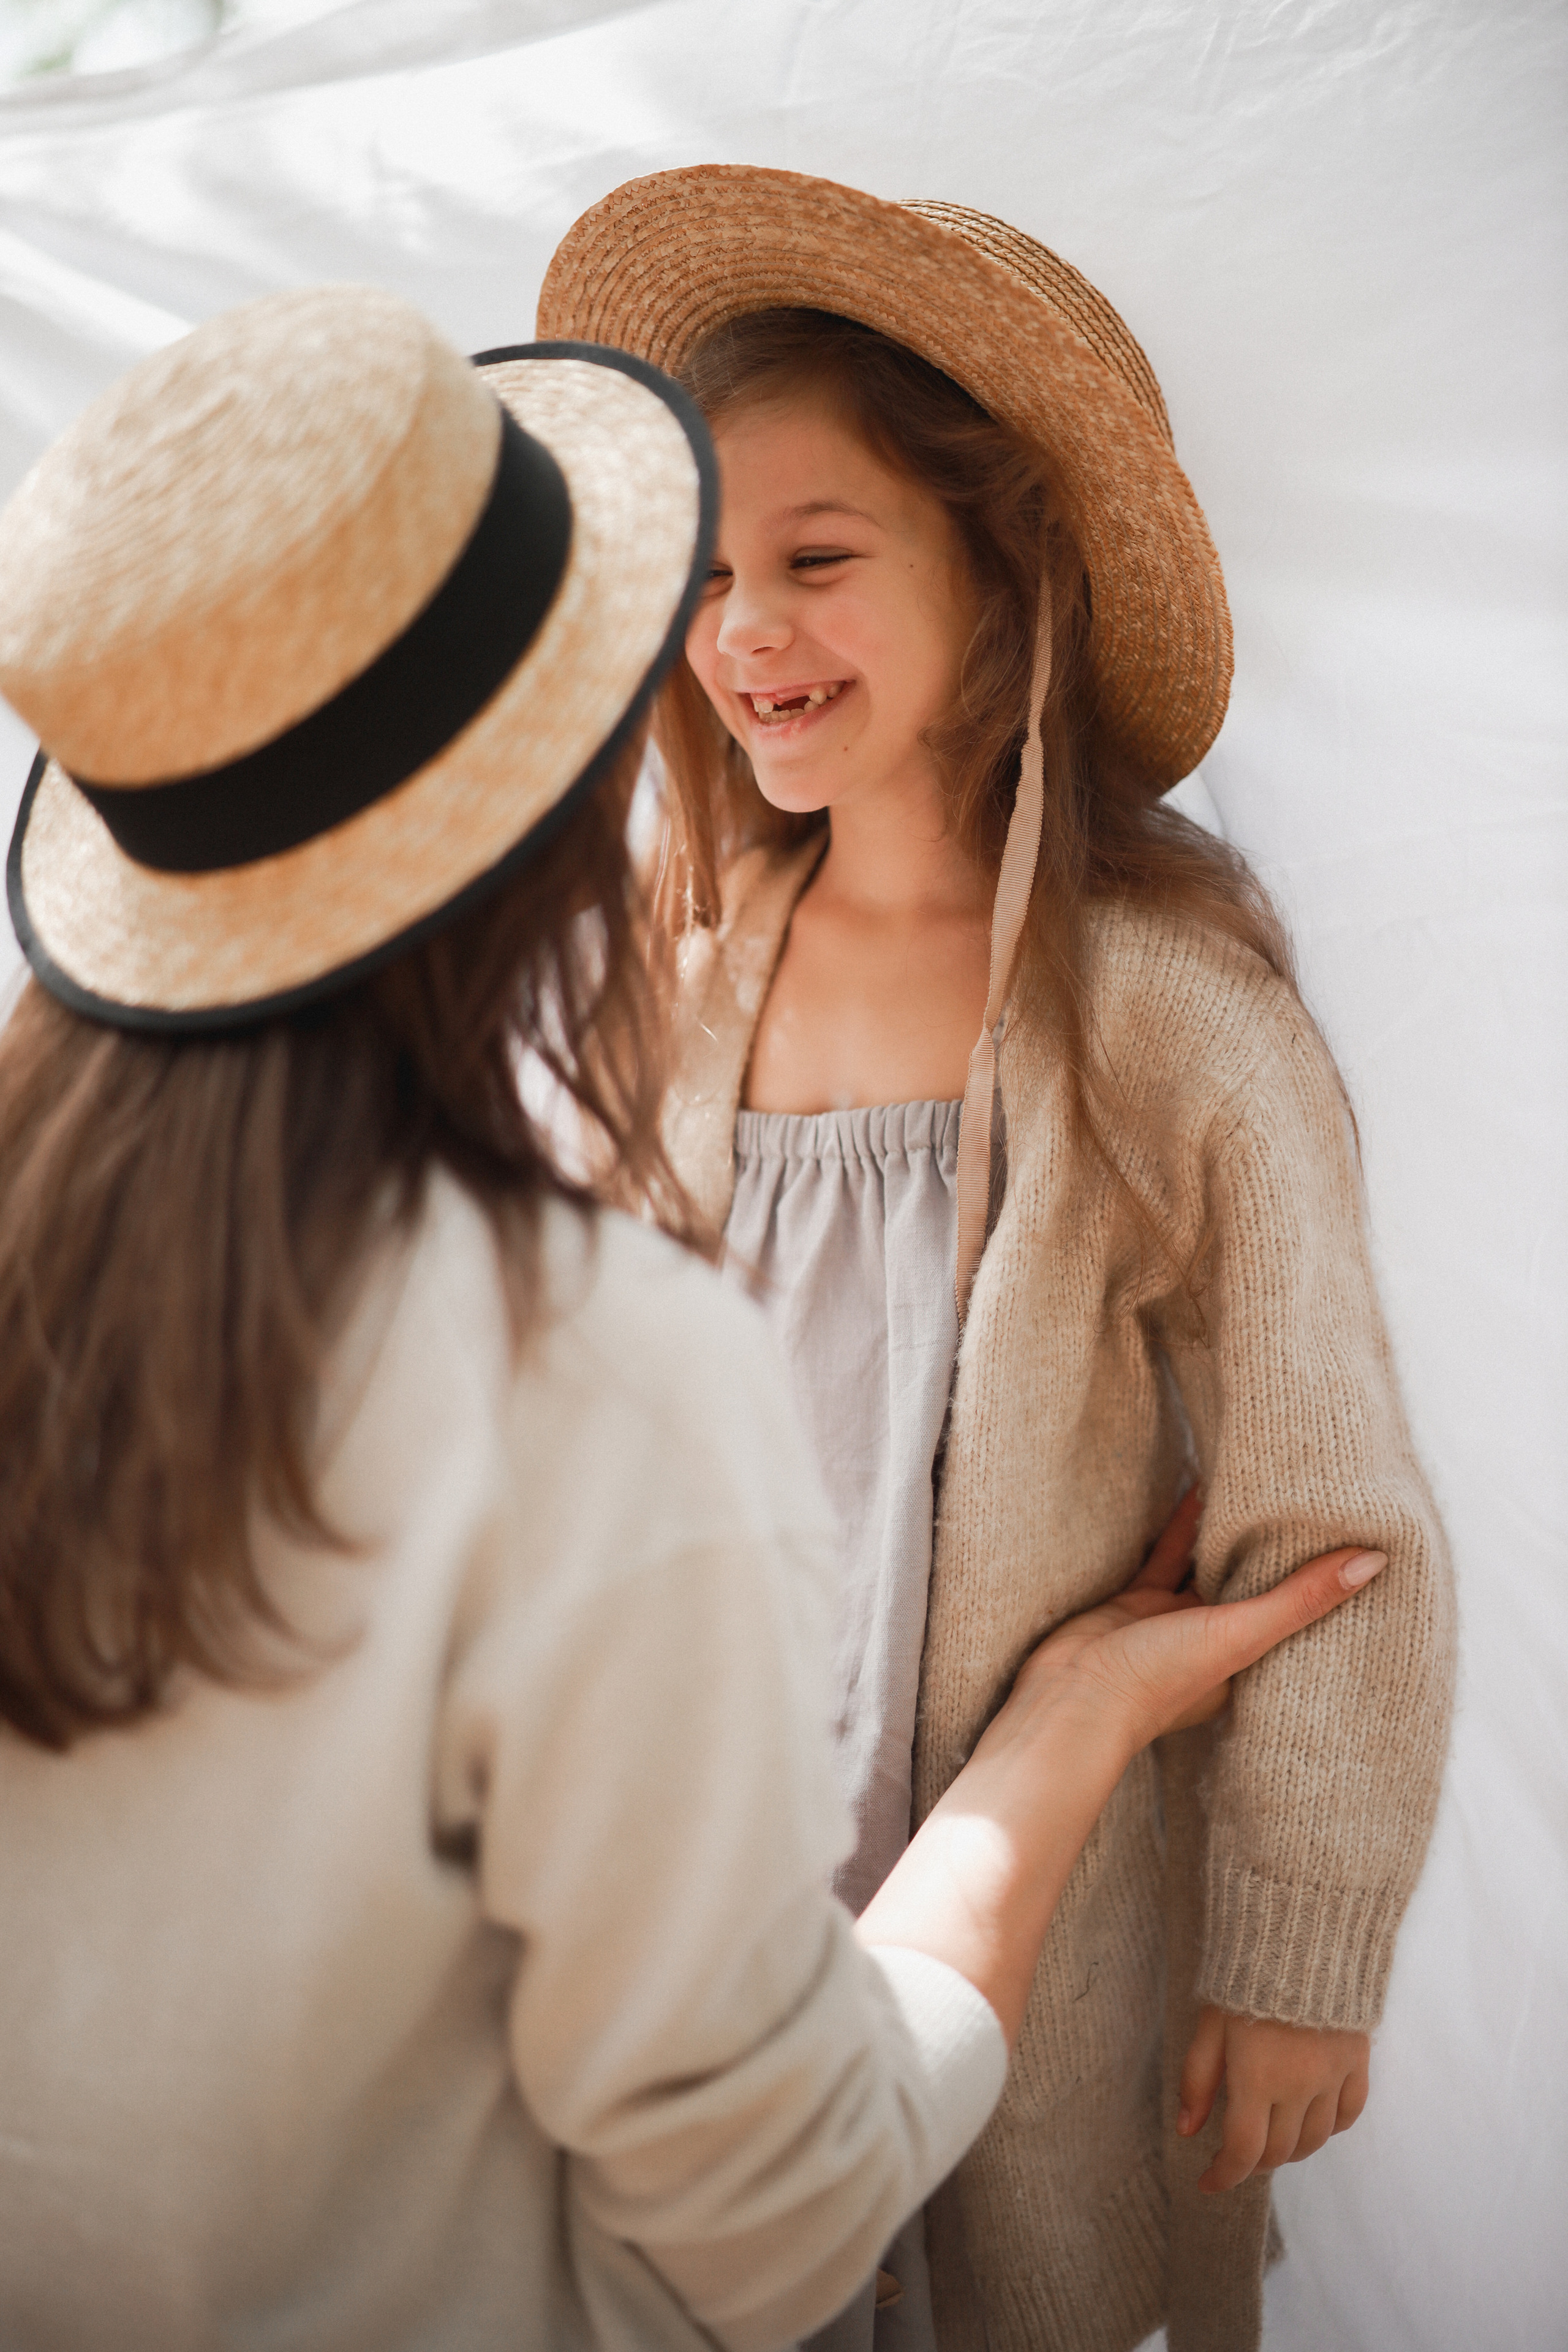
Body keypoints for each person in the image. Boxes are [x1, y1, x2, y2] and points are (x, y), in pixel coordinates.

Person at [0, 285, 1382, 2352]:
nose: (720, 649)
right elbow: (775, 2220)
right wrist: (1068, 1731)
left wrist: (1293, 1917)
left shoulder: (88, 1280)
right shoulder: (596, 1361)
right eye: (667, 599)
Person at [537, 168, 1459, 2352]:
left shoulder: (1166, 1013)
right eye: (708, 576)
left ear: (1002, 568)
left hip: (1017, 1893)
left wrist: (1296, 1952)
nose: (746, 633)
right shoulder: (675, 972)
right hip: (695, 1865)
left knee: (991, 2283)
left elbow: (1328, 1515)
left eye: (817, 562)